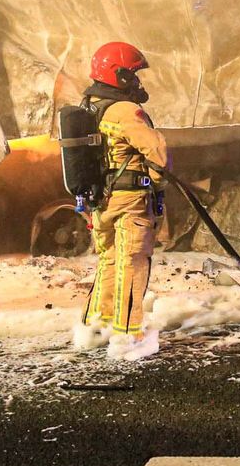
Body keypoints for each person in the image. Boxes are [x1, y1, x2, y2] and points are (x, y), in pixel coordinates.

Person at [71, 41, 169, 361]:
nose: (137, 80)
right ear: (120, 75)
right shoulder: (126, 111)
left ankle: (95, 326)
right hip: (130, 201)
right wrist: (156, 185)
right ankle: (129, 336)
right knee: (133, 263)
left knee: (110, 261)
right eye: (133, 74)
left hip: (101, 201)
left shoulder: (92, 107)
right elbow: (157, 153)